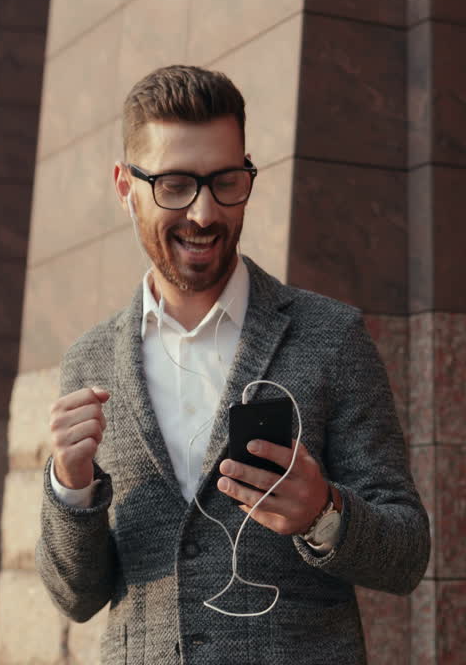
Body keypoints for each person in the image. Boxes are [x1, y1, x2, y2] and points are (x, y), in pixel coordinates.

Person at [35, 65, 430, 664]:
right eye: (173, 184)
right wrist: (70, 485)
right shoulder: (89, 362)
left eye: (225, 181)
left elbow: (406, 553)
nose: (204, 213)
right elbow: (75, 595)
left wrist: (322, 512)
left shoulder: (331, 337)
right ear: (124, 186)